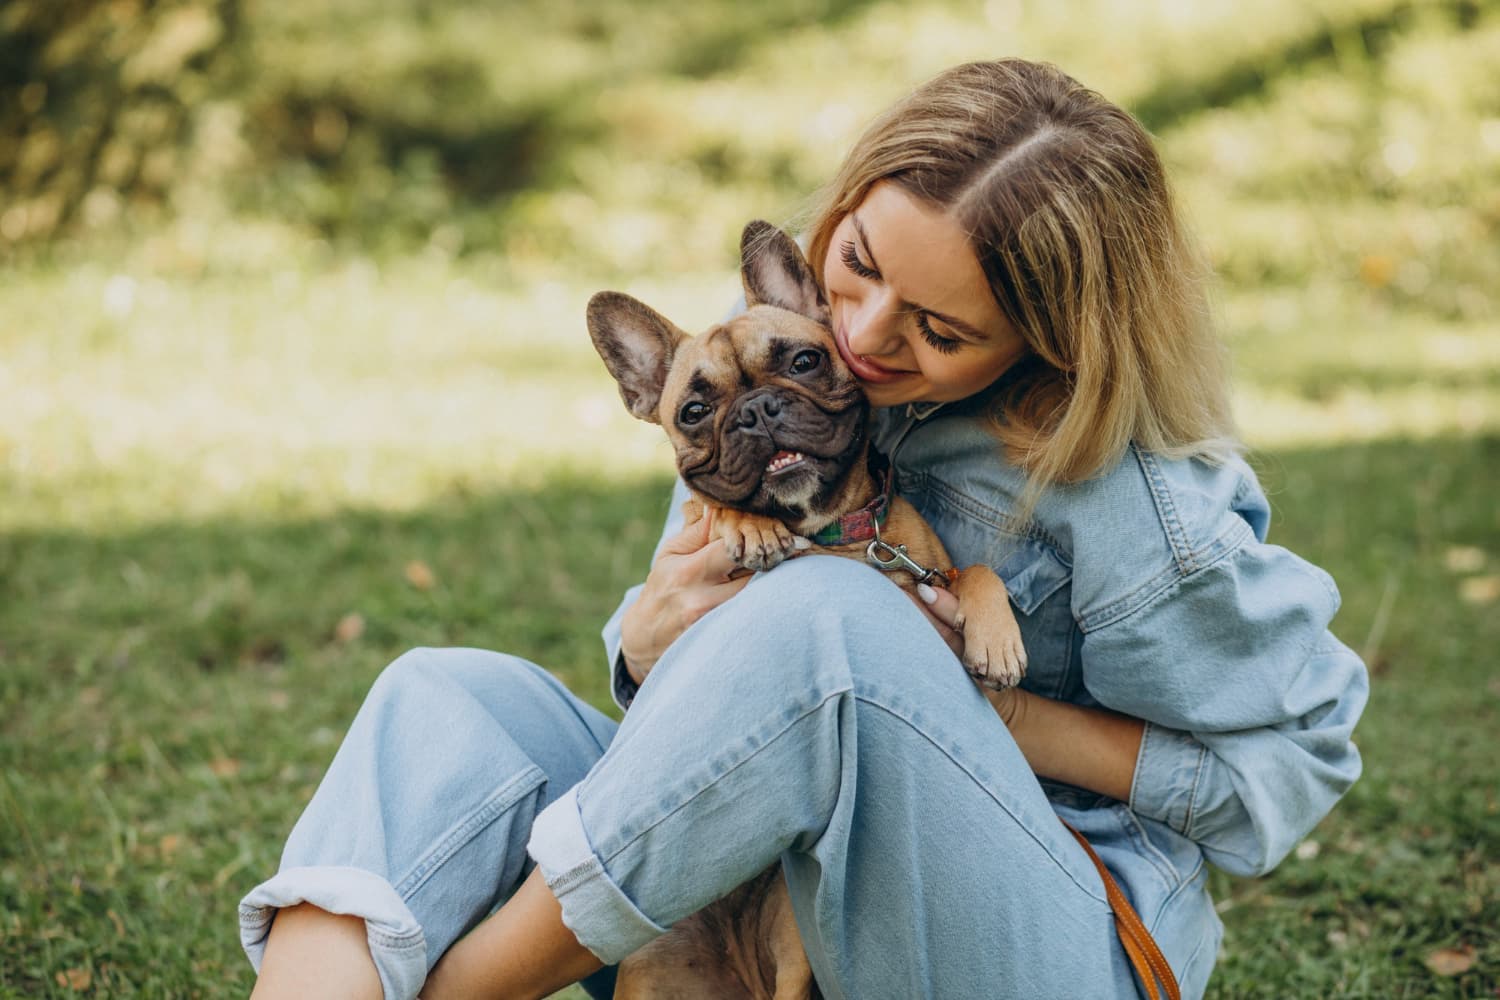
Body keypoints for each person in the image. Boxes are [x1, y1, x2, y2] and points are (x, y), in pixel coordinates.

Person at [239, 59, 1368, 1000]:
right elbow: (724, 715)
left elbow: (1289, 769)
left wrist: (984, 716)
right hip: (776, 904)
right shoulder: (793, 401)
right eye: (857, 266)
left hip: (1043, 938)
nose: (864, 334)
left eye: (936, 326)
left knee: (829, 621)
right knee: (441, 701)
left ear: (1052, 339)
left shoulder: (1125, 493)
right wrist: (646, 647)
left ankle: (466, 989)